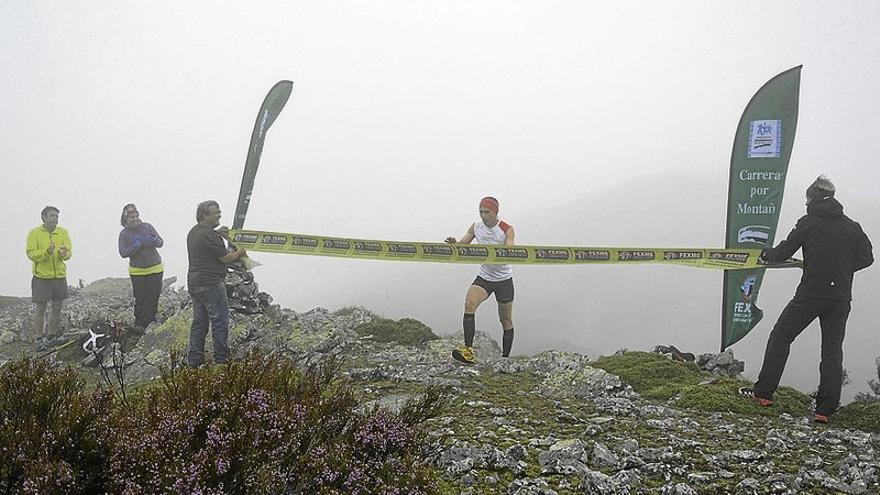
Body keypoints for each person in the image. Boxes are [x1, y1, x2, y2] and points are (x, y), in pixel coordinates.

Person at [739, 176, 873, 423]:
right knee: (832, 351)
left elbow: (783, 252)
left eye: (807, 198)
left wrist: (766, 254)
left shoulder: (808, 223)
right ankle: (825, 410)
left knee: (781, 336)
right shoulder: (852, 226)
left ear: (812, 199)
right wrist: (841, 270)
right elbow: (867, 258)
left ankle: (763, 393)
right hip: (840, 297)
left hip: (811, 294)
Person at [445, 196, 517, 364]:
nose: (484, 216)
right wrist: (454, 244)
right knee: (469, 304)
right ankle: (468, 351)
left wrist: (505, 250)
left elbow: (511, 249)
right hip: (485, 276)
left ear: (495, 212)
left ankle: (505, 359)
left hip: (504, 279)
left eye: (487, 212)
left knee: (505, 320)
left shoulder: (506, 229)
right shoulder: (476, 227)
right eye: (481, 212)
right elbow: (463, 244)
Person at [186, 200, 246, 367]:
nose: (219, 214)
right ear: (205, 215)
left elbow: (207, 245)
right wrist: (240, 252)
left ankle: (195, 360)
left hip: (195, 282)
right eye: (216, 212)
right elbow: (225, 258)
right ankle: (222, 359)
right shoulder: (209, 235)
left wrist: (218, 233)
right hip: (211, 283)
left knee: (200, 322)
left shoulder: (195, 232)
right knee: (220, 321)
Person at [26, 206, 72, 350]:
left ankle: (52, 336)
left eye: (57, 216)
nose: (55, 219)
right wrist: (47, 252)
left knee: (57, 307)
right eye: (52, 216)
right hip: (41, 277)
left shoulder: (63, 232)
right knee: (41, 308)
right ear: (44, 217)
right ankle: (40, 338)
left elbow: (69, 253)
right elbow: (31, 254)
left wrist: (63, 254)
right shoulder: (35, 233)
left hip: (59, 276)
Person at [118, 203, 164, 333]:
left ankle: (150, 321)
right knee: (140, 297)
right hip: (137, 271)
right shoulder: (124, 234)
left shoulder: (147, 227)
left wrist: (154, 240)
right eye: (130, 216)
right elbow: (123, 252)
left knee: (153, 296)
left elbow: (160, 242)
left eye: (135, 215)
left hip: (155, 268)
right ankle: (139, 323)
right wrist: (136, 245)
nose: (134, 218)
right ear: (125, 218)